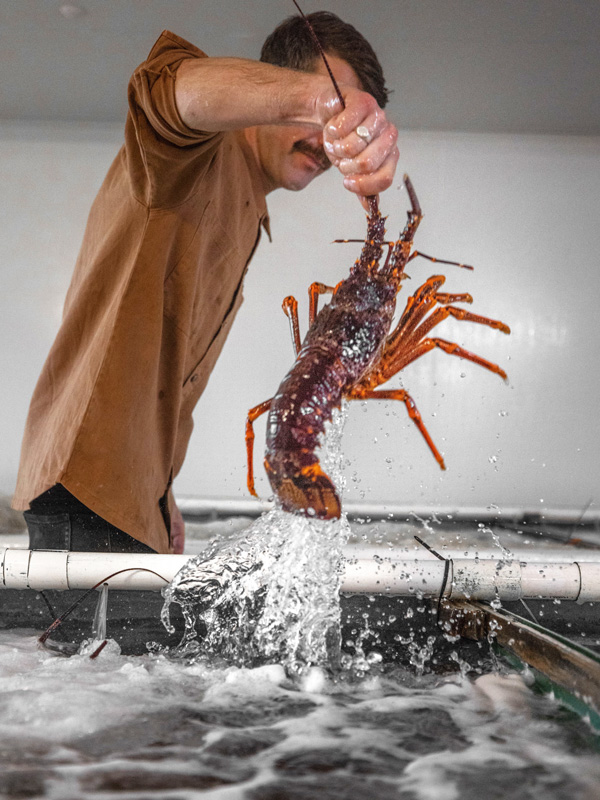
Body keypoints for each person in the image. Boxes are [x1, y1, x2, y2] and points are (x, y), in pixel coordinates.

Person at [12, 12, 399, 555]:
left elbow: (170, 371)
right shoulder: (193, 153)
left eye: (342, 123)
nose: (326, 142)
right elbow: (170, 90)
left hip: (128, 500)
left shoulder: (250, 205)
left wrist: (161, 491)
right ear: (277, 89)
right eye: (324, 109)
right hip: (87, 491)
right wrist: (319, 99)